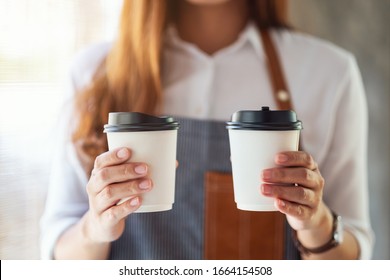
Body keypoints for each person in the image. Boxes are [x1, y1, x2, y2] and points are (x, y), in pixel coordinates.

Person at [40, 0, 374, 260]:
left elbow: (355, 255)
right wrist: (95, 228)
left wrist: (315, 223)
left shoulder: (328, 73)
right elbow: (58, 251)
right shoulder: (93, 71)